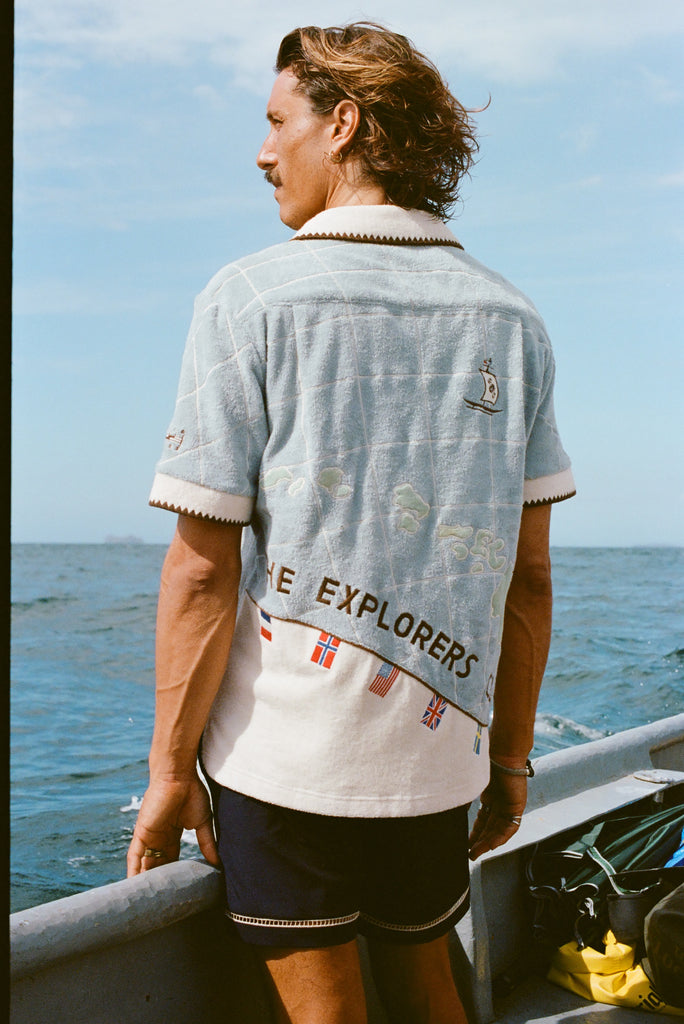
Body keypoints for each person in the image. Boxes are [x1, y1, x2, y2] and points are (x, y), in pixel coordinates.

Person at [127, 22, 575, 1024]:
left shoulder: (249, 298)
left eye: (276, 121)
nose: (261, 149)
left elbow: (202, 570)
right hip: (434, 757)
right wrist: (509, 760)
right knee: (425, 984)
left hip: (287, 763)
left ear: (344, 123)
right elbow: (527, 577)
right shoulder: (512, 318)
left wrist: (166, 773)